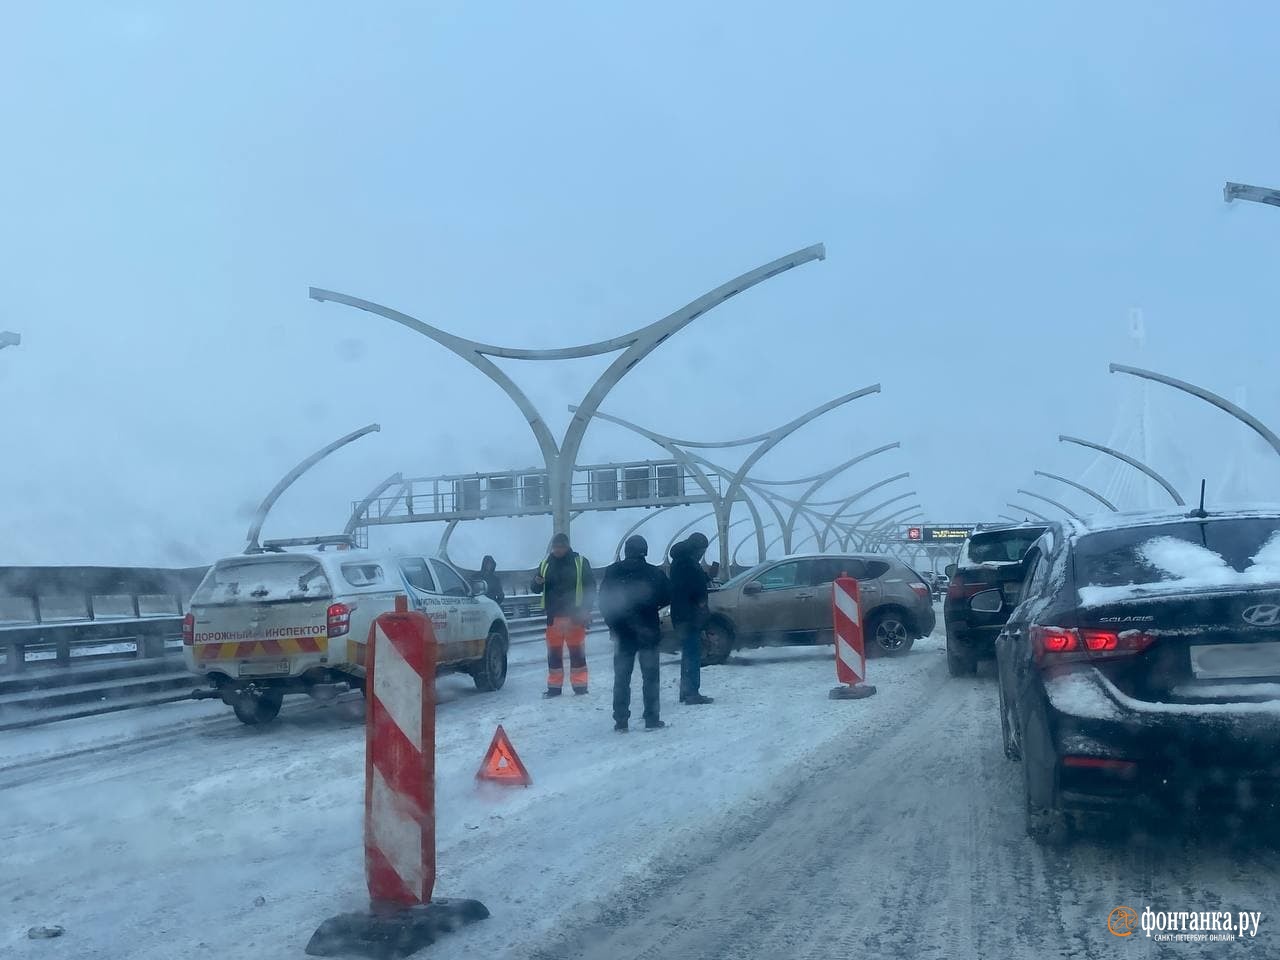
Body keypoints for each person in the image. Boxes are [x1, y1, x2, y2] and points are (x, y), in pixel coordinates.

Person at [598, 535, 671, 732]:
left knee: (622, 678)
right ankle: (651, 718)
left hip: (622, 634)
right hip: (648, 632)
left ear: (626, 551)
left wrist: (612, 624)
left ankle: (621, 720)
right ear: (644, 551)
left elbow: (603, 601)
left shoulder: (613, 572)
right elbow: (666, 596)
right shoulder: (653, 573)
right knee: (651, 678)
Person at [531, 532, 596, 697]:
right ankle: (554, 687)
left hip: (575, 617)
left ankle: (580, 686)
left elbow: (590, 588)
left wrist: (586, 610)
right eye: (555, 547)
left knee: (577, 654)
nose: (557, 550)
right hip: (554, 617)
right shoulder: (545, 564)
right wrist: (536, 582)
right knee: (554, 654)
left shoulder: (580, 562)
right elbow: (535, 587)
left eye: (560, 547)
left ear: (567, 546)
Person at [669, 532, 714, 705]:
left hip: (680, 615)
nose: (702, 553)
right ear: (697, 548)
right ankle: (691, 693)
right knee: (692, 654)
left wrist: (704, 577)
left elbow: (682, 586)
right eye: (702, 550)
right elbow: (695, 590)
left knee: (688, 653)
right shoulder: (689, 564)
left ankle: (686, 692)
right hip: (689, 616)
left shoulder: (679, 562)